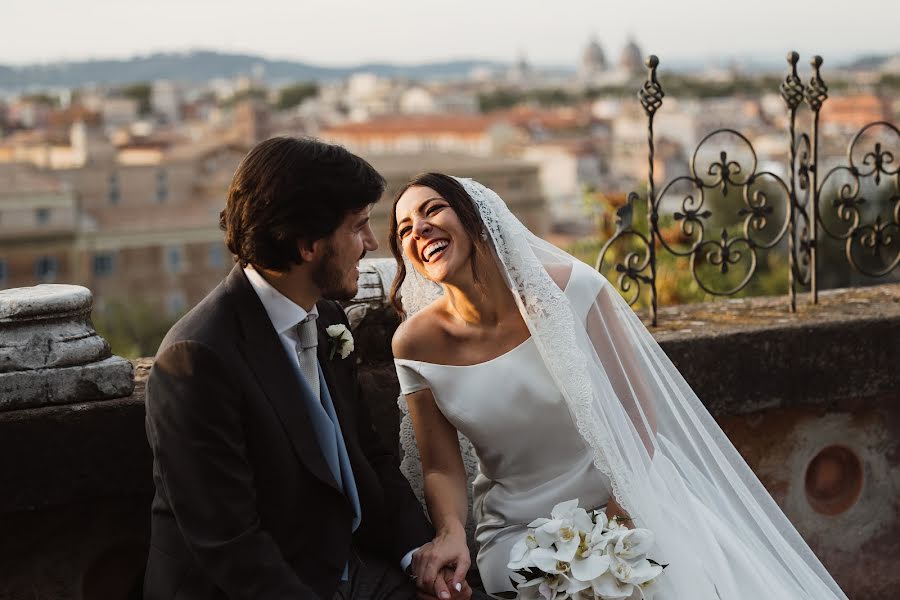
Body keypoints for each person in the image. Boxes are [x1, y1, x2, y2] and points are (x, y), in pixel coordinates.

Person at [388, 173, 849, 599]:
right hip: (517, 532)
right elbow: (441, 468)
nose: (419, 230)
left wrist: (616, 515)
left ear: (475, 218)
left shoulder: (575, 291)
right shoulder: (414, 343)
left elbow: (635, 407)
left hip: (625, 499)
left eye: (432, 210)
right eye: (404, 228)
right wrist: (450, 531)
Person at [144, 138, 475, 600]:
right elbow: (230, 545)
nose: (373, 244)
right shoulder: (196, 359)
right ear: (307, 245)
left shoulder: (330, 320)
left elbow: (371, 459)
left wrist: (422, 556)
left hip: (357, 570)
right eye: (358, 227)